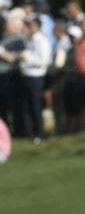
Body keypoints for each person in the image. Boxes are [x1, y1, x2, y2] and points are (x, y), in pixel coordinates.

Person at [16, 15, 50, 143]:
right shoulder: (30, 40)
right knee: (30, 107)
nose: (26, 28)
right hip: (27, 76)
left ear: (35, 26)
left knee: (36, 106)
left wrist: (26, 57)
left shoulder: (41, 40)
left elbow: (43, 60)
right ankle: (34, 133)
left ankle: (40, 134)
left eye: (28, 26)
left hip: (36, 77)